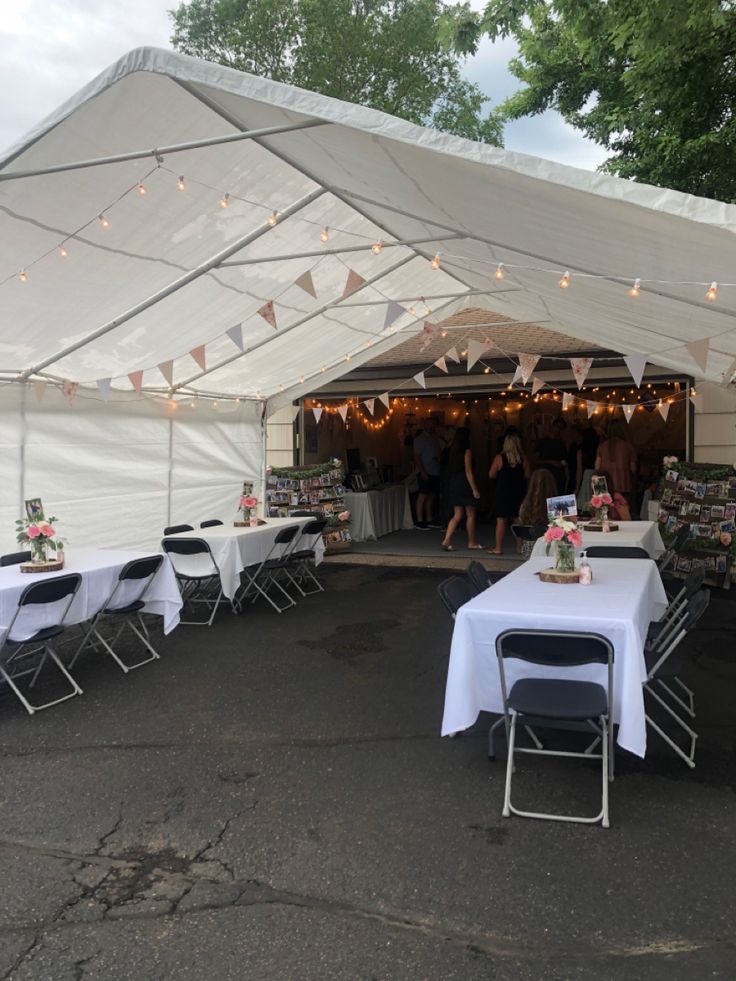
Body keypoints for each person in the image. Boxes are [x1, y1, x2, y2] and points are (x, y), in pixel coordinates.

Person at [441, 427, 484, 551]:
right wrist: (474, 489)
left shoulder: (452, 451)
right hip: (464, 483)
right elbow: (468, 471)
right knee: (470, 514)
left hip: (454, 483)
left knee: (457, 514)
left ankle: (446, 539)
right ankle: (471, 542)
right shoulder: (467, 451)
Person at [489, 432, 530, 554]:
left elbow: (491, 474)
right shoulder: (524, 459)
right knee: (518, 520)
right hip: (518, 492)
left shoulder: (499, 458)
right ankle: (519, 547)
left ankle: (498, 548)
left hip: (503, 492)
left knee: (501, 520)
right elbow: (528, 475)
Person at [517, 468, 557, 556]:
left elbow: (521, 526)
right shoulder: (557, 505)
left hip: (530, 549)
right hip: (552, 547)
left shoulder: (526, 505)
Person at [595, 419, 637, 504]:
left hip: (602, 483)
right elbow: (633, 469)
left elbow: (597, 467)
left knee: (603, 511)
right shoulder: (628, 447)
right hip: (623, 484)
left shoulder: (602, 446)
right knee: (622, 512)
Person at [413, 415, 442, 529]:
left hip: (435, 470)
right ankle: (420, 521)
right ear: (426, 425)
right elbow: (417, 457)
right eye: (431, 424)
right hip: (426, 471)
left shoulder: (434, 437)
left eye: (434, 424)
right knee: (422, 495)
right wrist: (422, 471)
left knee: (431, 495)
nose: (433, 426)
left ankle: (429, 519)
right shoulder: (420, 439)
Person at [536, 417, 568, 494]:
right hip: (545, 476)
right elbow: (535, 461)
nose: (558, 430)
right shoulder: (542, 442)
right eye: (557, 426)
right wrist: (551, 462)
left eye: (561, 428)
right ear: (552, 425)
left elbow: (565, 461)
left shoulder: (561, 444)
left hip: (558, 477)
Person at [575, 426, 600, 511]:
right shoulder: (599, 448)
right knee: (598, 501)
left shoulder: (581, 450)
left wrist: (577, 487)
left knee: (585, 501)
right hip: (597, 475)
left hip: (586, 475)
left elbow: (579, 470)